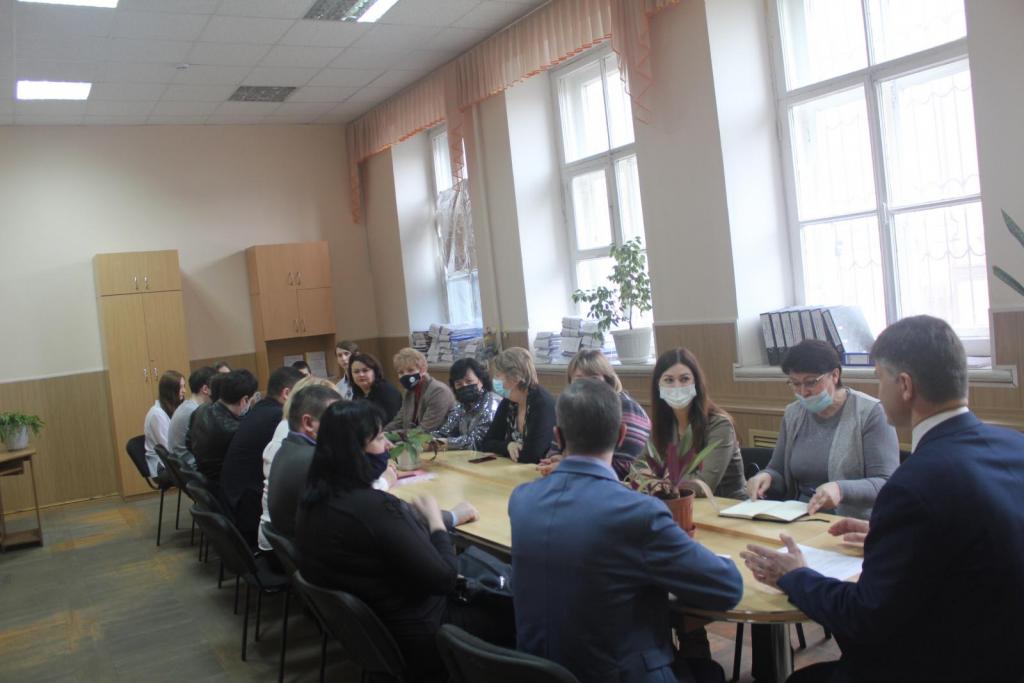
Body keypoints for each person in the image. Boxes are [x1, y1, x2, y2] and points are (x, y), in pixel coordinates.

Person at [741, 315, 1024, 683]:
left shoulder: (913, 485)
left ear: (904, 385)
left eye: (879, 378)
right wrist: (886, 536)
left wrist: (794, 576)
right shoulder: (1015, 446)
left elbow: (865, 617)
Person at [510, 379, 743, 683]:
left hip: (538, 671)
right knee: (709, 673)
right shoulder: (638, 513)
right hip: (620, 673)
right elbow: (727, 588)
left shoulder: (522, 500)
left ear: (558, 436)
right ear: (621, 435)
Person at [294, 401, 506, 682]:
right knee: (516, 609)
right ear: (355, 450)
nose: (387, 446)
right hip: (423, 635)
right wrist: (436, 522)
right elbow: (444, 578)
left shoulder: (313, 500)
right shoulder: (376, 509)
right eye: (380, 438)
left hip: (372, 636)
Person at [746, 340, 899, 518]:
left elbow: (885, 483)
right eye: (795, 383)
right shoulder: (793, 414)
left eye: (811, 382)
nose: (803, 392)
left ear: (835, 375)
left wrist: (840, 489)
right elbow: (777, 469)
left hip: (851, 521)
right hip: (798, 515)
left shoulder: (870, 413)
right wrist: (766, 477)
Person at [220, 366, 303, 547]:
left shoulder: (261, 408)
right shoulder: (278, 417)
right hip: (247, 509)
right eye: (303, 395)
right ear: (287, 394)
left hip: (235, 498)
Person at [647, 348, 746, 499]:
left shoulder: (720, 425)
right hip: (679, 503)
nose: (677, 387)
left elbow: (704, 484)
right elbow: (638, 467)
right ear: (658, 386)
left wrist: (660, 481)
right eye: (669, 380)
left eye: (684, 379)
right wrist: (658, 480)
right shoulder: (662, 424)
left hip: (728, 506)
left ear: (696, 383)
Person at [539, 349, 651, 479]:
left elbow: (624, 467)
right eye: (579, 380)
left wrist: (567, 465)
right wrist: (556, 459)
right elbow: (554, 450)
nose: (588, 386)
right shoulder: (572, 406)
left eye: (594, 379)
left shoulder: (628, 409)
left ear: (608, 381)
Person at [264, 383, 342, 542]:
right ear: (308, 423)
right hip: (318, 550)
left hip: (300, 545)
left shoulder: (288, 447)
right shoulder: (315, 460)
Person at [479, 347, 556, 464]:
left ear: (515, 378)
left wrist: (504, 450)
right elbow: (487, 443)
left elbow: (533, 455)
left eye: (498, 375)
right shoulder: (509, 401)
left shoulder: (542, 404)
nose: (494, 380)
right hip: (515, 467)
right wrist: (508, 446)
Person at [190, 369, 258, 489]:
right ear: (244, 400)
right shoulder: (236, 431)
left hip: (205, 479)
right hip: (226, 487)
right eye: (252, 400)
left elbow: (188, 442)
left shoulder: (201, 410)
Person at [431, 357, 501, 451]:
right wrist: (424, 439)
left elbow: (477, 442)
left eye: (469, 381)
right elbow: (444, 432)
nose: (464, 386)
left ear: (481, 380)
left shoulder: (492, 403)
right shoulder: (461, 406)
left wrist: (446, 443)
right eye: (459, 384)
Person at [385, 348, 455, 432]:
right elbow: (399, 421)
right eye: (401, 372)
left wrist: (391, 435)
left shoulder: (438, 391)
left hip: (436, 438)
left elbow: (425, 429)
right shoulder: (409, 391)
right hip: (413, 437)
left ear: (423, 370)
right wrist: (381, 433)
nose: (405, 375)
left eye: (410, 370)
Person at [168, 366, 216, 469]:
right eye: (216, 388)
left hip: (182, 466)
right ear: (205, 389)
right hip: (191, 467)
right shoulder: (195, 412)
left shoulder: (187, 406)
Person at [143, 370, 185, 477]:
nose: (184, 391)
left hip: (172, 462)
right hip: (162, 467)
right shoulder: (157, 414)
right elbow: (168, 448)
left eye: (184, 386)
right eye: (180, 387)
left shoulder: (172, 409)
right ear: (170, 390)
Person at [348, 351, 402, 424]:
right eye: (356, 372)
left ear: (375, 372)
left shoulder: (386, 391)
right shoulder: (357, 393)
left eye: (365, 370)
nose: (361, 375)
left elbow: (391, 421)